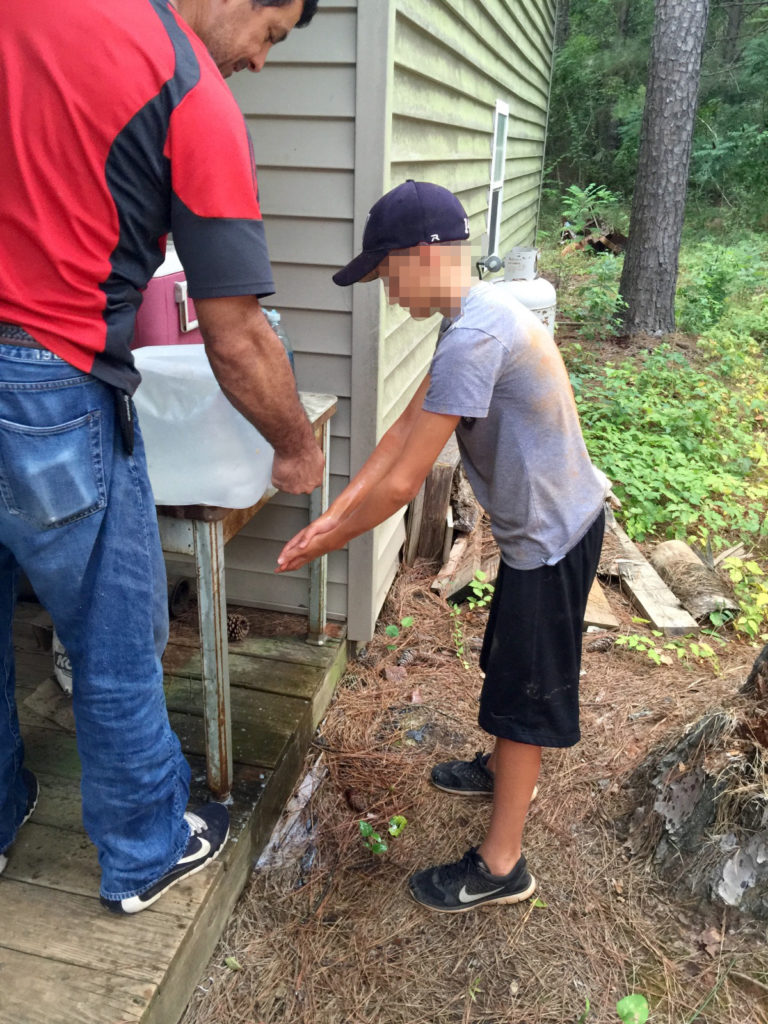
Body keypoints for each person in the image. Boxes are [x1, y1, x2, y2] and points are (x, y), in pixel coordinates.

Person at [0, 0, 323, 914]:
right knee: (113, 636)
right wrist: (295, 446)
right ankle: (145, 848)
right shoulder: (188, 89)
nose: (260, 61)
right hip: (49, 386)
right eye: (273, 34)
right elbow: (236, 334)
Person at [276, 180, 609, 913]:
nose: (388, 291)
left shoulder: (475, 337)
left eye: (387, 273)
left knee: (523, 698)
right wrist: (332, 515)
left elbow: (404, 483)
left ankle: (501, 867)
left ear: (423, 255)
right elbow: (401, 433)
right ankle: (501, 769)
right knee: (507, 664)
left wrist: (326, 540)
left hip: (552, 542)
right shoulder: (473, 316)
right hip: (541, 535)